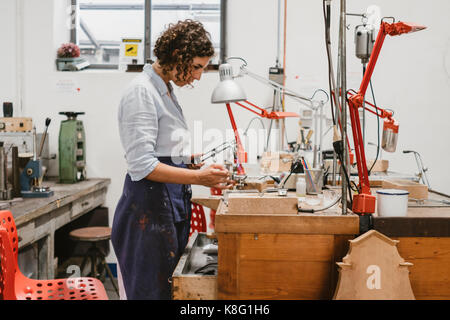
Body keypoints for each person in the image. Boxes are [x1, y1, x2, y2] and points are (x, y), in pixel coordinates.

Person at [111, 19, 233, 300]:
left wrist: (187, 160)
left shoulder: (164, 90)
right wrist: (200, 177)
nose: (199, 76)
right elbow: (142, 165)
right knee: (150, 293)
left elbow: (158, 148)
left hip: (166, 208)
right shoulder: (141, 92)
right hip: (147, 212)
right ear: (179, 56)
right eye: (198, 67)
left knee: (168, 291)